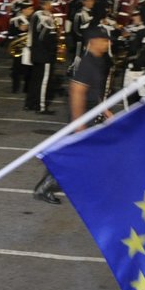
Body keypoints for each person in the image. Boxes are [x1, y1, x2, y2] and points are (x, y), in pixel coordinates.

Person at [32, 27, 113, 205]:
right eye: (104, 40)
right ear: (92, 42)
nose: (107, 43)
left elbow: (95, 91)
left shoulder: (97, 61)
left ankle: (47, 186)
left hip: (92, 114)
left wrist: (105, 111)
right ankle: (45, 186)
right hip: (85, 117)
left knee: (82, 155)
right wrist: (79, 124)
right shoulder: (87, 63)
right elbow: (77, 92)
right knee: (79, 156)